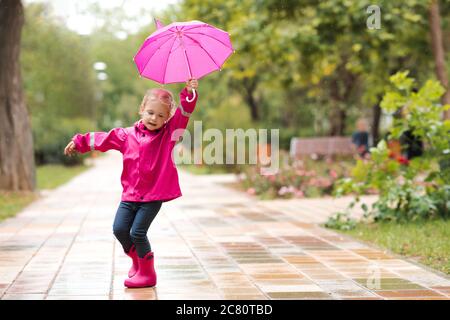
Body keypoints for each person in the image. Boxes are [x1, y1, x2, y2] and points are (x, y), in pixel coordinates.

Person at [64, 79, 199, 288]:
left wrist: (188, 93)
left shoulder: (168, 135)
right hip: (130, 195)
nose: (155, 118)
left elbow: (184, 114)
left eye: (161, 115)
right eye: (151, 112)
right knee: (119, 229)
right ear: (142, 110)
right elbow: (103, 139)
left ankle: (148, 274)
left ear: (168, 119)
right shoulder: (126, 135)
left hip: (153, 196)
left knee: (137, 232)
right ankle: (138, 262)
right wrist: (79, 142)